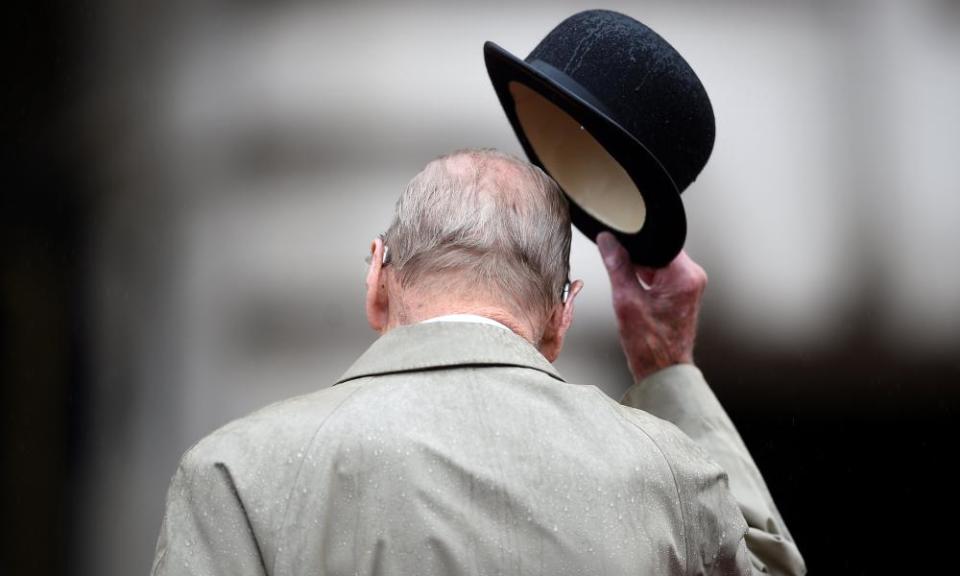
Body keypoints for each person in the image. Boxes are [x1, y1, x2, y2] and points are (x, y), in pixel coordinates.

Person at [151, 148, 806, 575]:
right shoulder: (667, 473)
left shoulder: (234, 475)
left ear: (379, 274)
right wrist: (669, 369)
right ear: (561, 314)